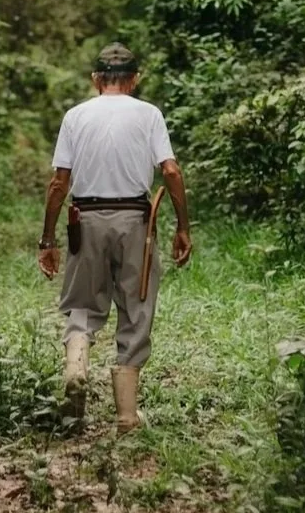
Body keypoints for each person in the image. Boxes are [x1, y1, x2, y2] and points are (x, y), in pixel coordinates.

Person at [37, 43, 192, 432]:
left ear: (95, 80)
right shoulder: (149, 114)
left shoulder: (76, 116)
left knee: (82, 305)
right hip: (136, 223)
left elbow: (59, 183)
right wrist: (184, 227)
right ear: (135, 79)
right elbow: (171, 171)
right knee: (136, 308)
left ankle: (76, 371)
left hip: (84, 220)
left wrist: (48, 239)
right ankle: (125, 416)